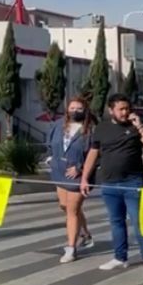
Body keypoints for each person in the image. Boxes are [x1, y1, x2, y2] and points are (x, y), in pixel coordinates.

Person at [80, 93, 143, 272]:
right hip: (109, 182)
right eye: (121, 109)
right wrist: (85, 178)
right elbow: (93, 153)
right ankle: (120, 257)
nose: (125, 112)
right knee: (116, 221)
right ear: (111, 110)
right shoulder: (102, 128)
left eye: (127, 109)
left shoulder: (135, 127)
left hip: (132, 181)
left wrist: (139, 125)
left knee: (139, 221)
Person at [46, 97, 95, 263]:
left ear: (85, 110)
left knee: (72, 211)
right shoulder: (58, 125)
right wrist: (50, 158)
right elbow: (49, 144)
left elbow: (97, 154)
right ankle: (85, 234)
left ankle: (71, 248)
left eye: (79, 108)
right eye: (72, 107)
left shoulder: (91, 129)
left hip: (79, 176)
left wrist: (80, 168)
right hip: (59, 173)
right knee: (65, 206)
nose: (75, 111)